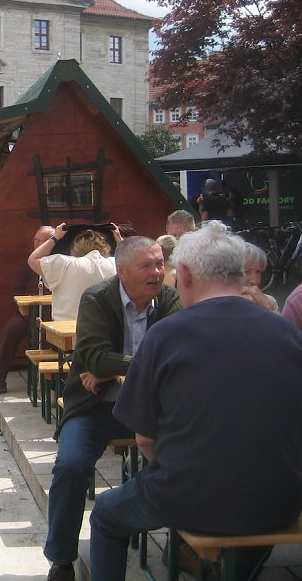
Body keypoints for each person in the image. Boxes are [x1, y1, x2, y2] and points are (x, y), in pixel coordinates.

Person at [89, 222, 302, 581]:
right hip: (280, 500)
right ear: (241, 275)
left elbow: (144, 439)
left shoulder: (165, 336)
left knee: (106, 515)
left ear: (184, 275)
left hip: (189, 497)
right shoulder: (286, 331)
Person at [43, 236, 181, 581]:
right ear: (121, 272)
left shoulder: (169, 299)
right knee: (71, 466)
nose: (157, 272)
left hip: (153, 408)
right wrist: (117, 366)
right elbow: (92, 356)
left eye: (160, 263)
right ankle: (61, 559)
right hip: (96, 406)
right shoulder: (98, 297)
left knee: (185, 461)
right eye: (147, 265)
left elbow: (176, 356)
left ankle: (186, 545)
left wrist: (112, 369)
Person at [0, 225, 54, 397]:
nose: (36, 244)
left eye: (40, 241)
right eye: (35, 240)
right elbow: (16, 291)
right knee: (11, 330)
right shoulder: (29, 264)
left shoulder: (60, 262)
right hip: (28, 313)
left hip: (53, 314)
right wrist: (24, 312)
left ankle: (54, 380)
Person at [28, 223, 120, 322]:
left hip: (66, 331)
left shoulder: (64, 263)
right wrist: (119, 240)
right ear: (104, 246)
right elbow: (131, 259)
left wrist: (55, 237)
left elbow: (33, 259)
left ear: (76, 246)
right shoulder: (115, 264)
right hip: (104, 330)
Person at [241, 241, 279, 312]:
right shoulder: (218, 306)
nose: (254, 281)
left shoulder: (269, 301)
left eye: (258, 272)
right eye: (246, 272)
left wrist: (267, 308)